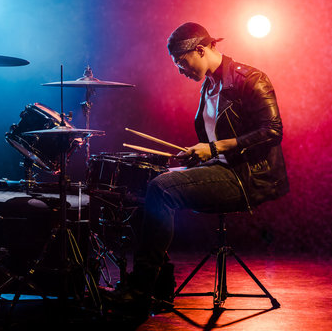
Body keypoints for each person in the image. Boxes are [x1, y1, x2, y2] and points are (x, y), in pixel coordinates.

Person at [103, 22, 289, 316]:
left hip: (247, 177)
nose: (179, 70)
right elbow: (215, 140)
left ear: (200, 50)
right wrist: (200, 154)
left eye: (181, 62)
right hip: (222, 168)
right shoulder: (209, 86)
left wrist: (214, 149)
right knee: (147, 185)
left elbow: (272, 132)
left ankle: (141, 290)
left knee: (161, 190)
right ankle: (160, 291)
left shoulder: (251, 79)